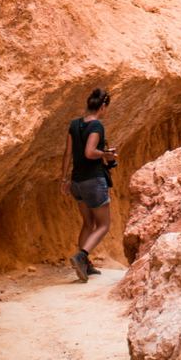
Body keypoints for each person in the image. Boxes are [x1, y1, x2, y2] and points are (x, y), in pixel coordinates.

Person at [61, 87, 115, 280]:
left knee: (88, 223)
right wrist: (106, 154)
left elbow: (68, 153)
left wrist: (64, 179)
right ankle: (81, 257)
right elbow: (90, 152)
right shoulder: (97, 126)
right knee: (103, 225)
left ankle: (86, 265)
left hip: (77, 182)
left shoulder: (74, 125)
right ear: (102, 107)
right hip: (93, 181)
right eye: (106, 108)